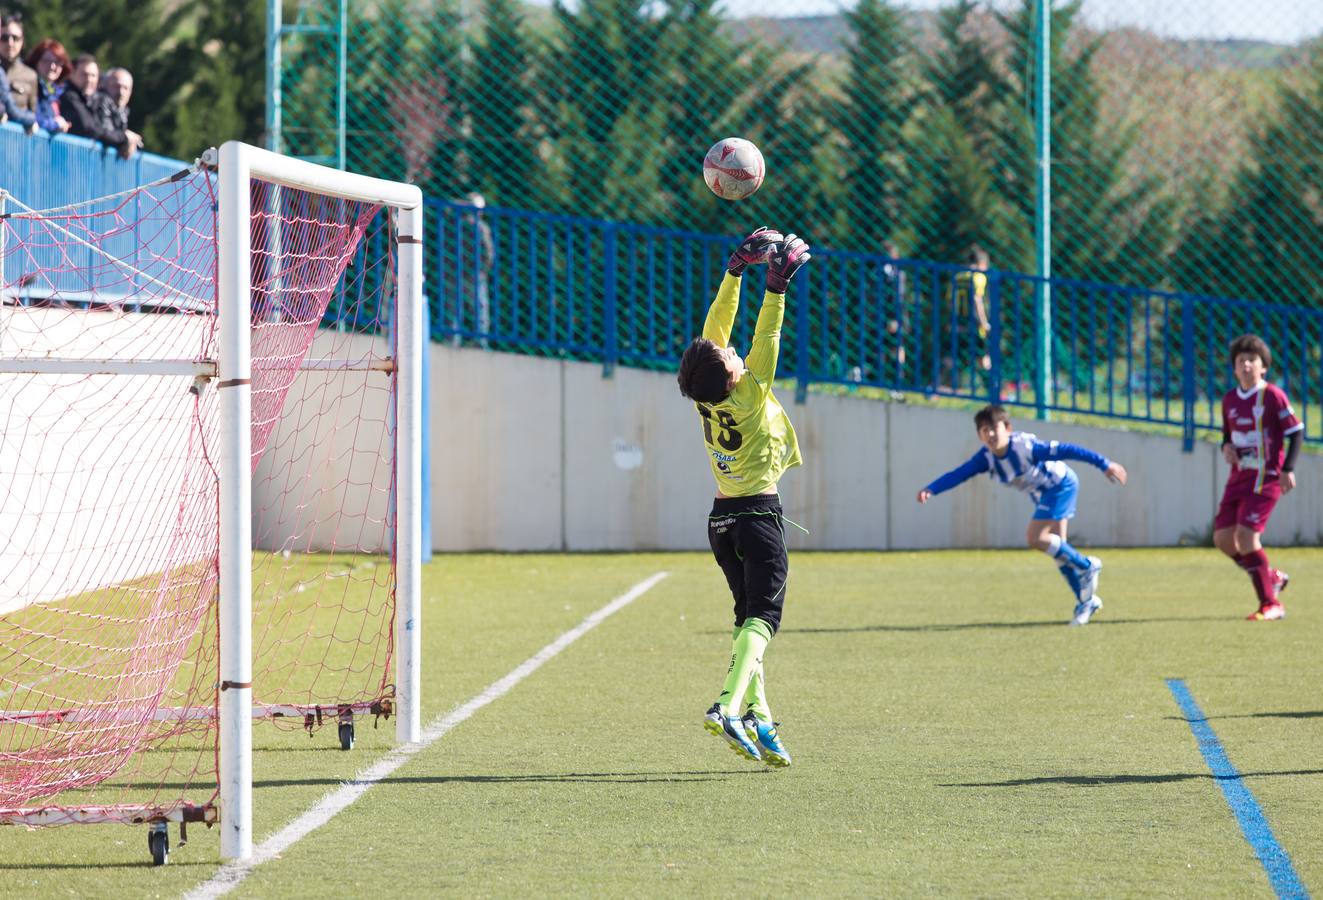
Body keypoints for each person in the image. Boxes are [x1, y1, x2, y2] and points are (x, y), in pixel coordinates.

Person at [676, 226, 811, 767]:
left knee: (745, 621)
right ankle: (728, 706)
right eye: (731, 360)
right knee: (765, 620)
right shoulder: (751, 395)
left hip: (721, 522)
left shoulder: (705, 396)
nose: (733, 353)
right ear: (733, 379)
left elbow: (715, 332)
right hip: (758, 517)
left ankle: (758, 713)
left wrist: (735, 270)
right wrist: (775, 287)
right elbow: (766, 339)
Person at [917, 404, 1128, 626]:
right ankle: (1086, 602)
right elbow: (958, 474)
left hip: (1061, 485)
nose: (989, 434)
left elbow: (1068, 449)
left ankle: (1087, 566)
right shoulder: (985, 459)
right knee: (1058, 549)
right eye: (983, 430)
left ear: (1007, 428)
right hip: (1042, 494)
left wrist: (1104, 464)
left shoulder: (1026, 447)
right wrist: (932, 488)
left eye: (993, 428)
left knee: (1035, 538)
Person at [1213, 334, 1303, 621]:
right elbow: (1228, 435)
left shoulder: (1272, 396)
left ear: (1264, 367)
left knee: (1247, 537)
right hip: (1239, 477)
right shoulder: (1229, 400)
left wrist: (1288, 468)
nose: (1247, 365)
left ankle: (1271, 603)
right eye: (1242, 361)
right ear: (1234, 368)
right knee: (1223, 539)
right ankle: (1270, 576)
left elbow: (1296, 432)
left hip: (1266, 477)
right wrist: (1225, 446)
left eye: (1253, 360)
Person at [945, 245, 993, 395]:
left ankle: (942, 387)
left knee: (952, 358)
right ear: (982, 264)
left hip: (957, 323)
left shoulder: (957, 276)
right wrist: (983, 322)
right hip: (973, 324)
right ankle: (991, 390)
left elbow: (950, 301)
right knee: (983, 358)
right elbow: (977, 300)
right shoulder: (978, 277)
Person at [24, 38, 69, 133]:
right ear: (36, 61)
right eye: (46, 61)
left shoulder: (58, 92)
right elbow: (35, 119)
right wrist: (56, 124)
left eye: (57, 62)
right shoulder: (30, 85)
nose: (52, 66)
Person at [95, 67, 142, 158]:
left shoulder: (123, 111)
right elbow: (105, 133)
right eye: (116, 86)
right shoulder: (100, 101)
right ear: (104, 86)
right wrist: (126, 137)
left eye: (125, 88)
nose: (121, 92)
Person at [0, 13, 36, 117]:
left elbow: (33, 115)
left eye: (15, 38)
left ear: (22, 41)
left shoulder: (30, 76)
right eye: (4, 38)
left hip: (14, 133)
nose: (10, 43)